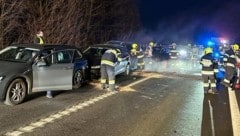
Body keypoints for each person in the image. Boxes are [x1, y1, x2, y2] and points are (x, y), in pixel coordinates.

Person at [34, 30, 53, 98]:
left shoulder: (41, 38)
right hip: (41, 54)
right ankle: (49, 93)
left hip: (43, 55)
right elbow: (38, 47)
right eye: (42, 33)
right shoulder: (37, 39)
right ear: (38, 34)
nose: (43, 34)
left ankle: (49, 93)